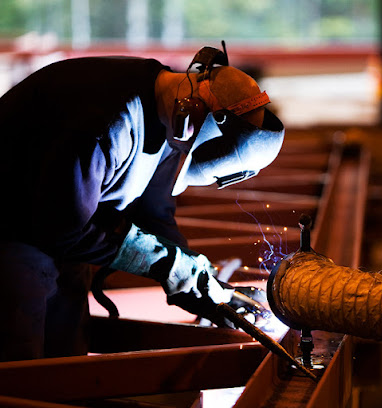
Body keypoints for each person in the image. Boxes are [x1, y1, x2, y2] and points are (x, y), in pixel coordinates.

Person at [0, 44, 284, 361]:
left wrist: (200, 288)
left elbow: (154, 212)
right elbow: (63, 229)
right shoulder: (105, 122)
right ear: (194, 124)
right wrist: (172, 265)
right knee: (22, 368)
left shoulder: (170, 107)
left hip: (60, 239)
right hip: (13, 236)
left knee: (66, 359)